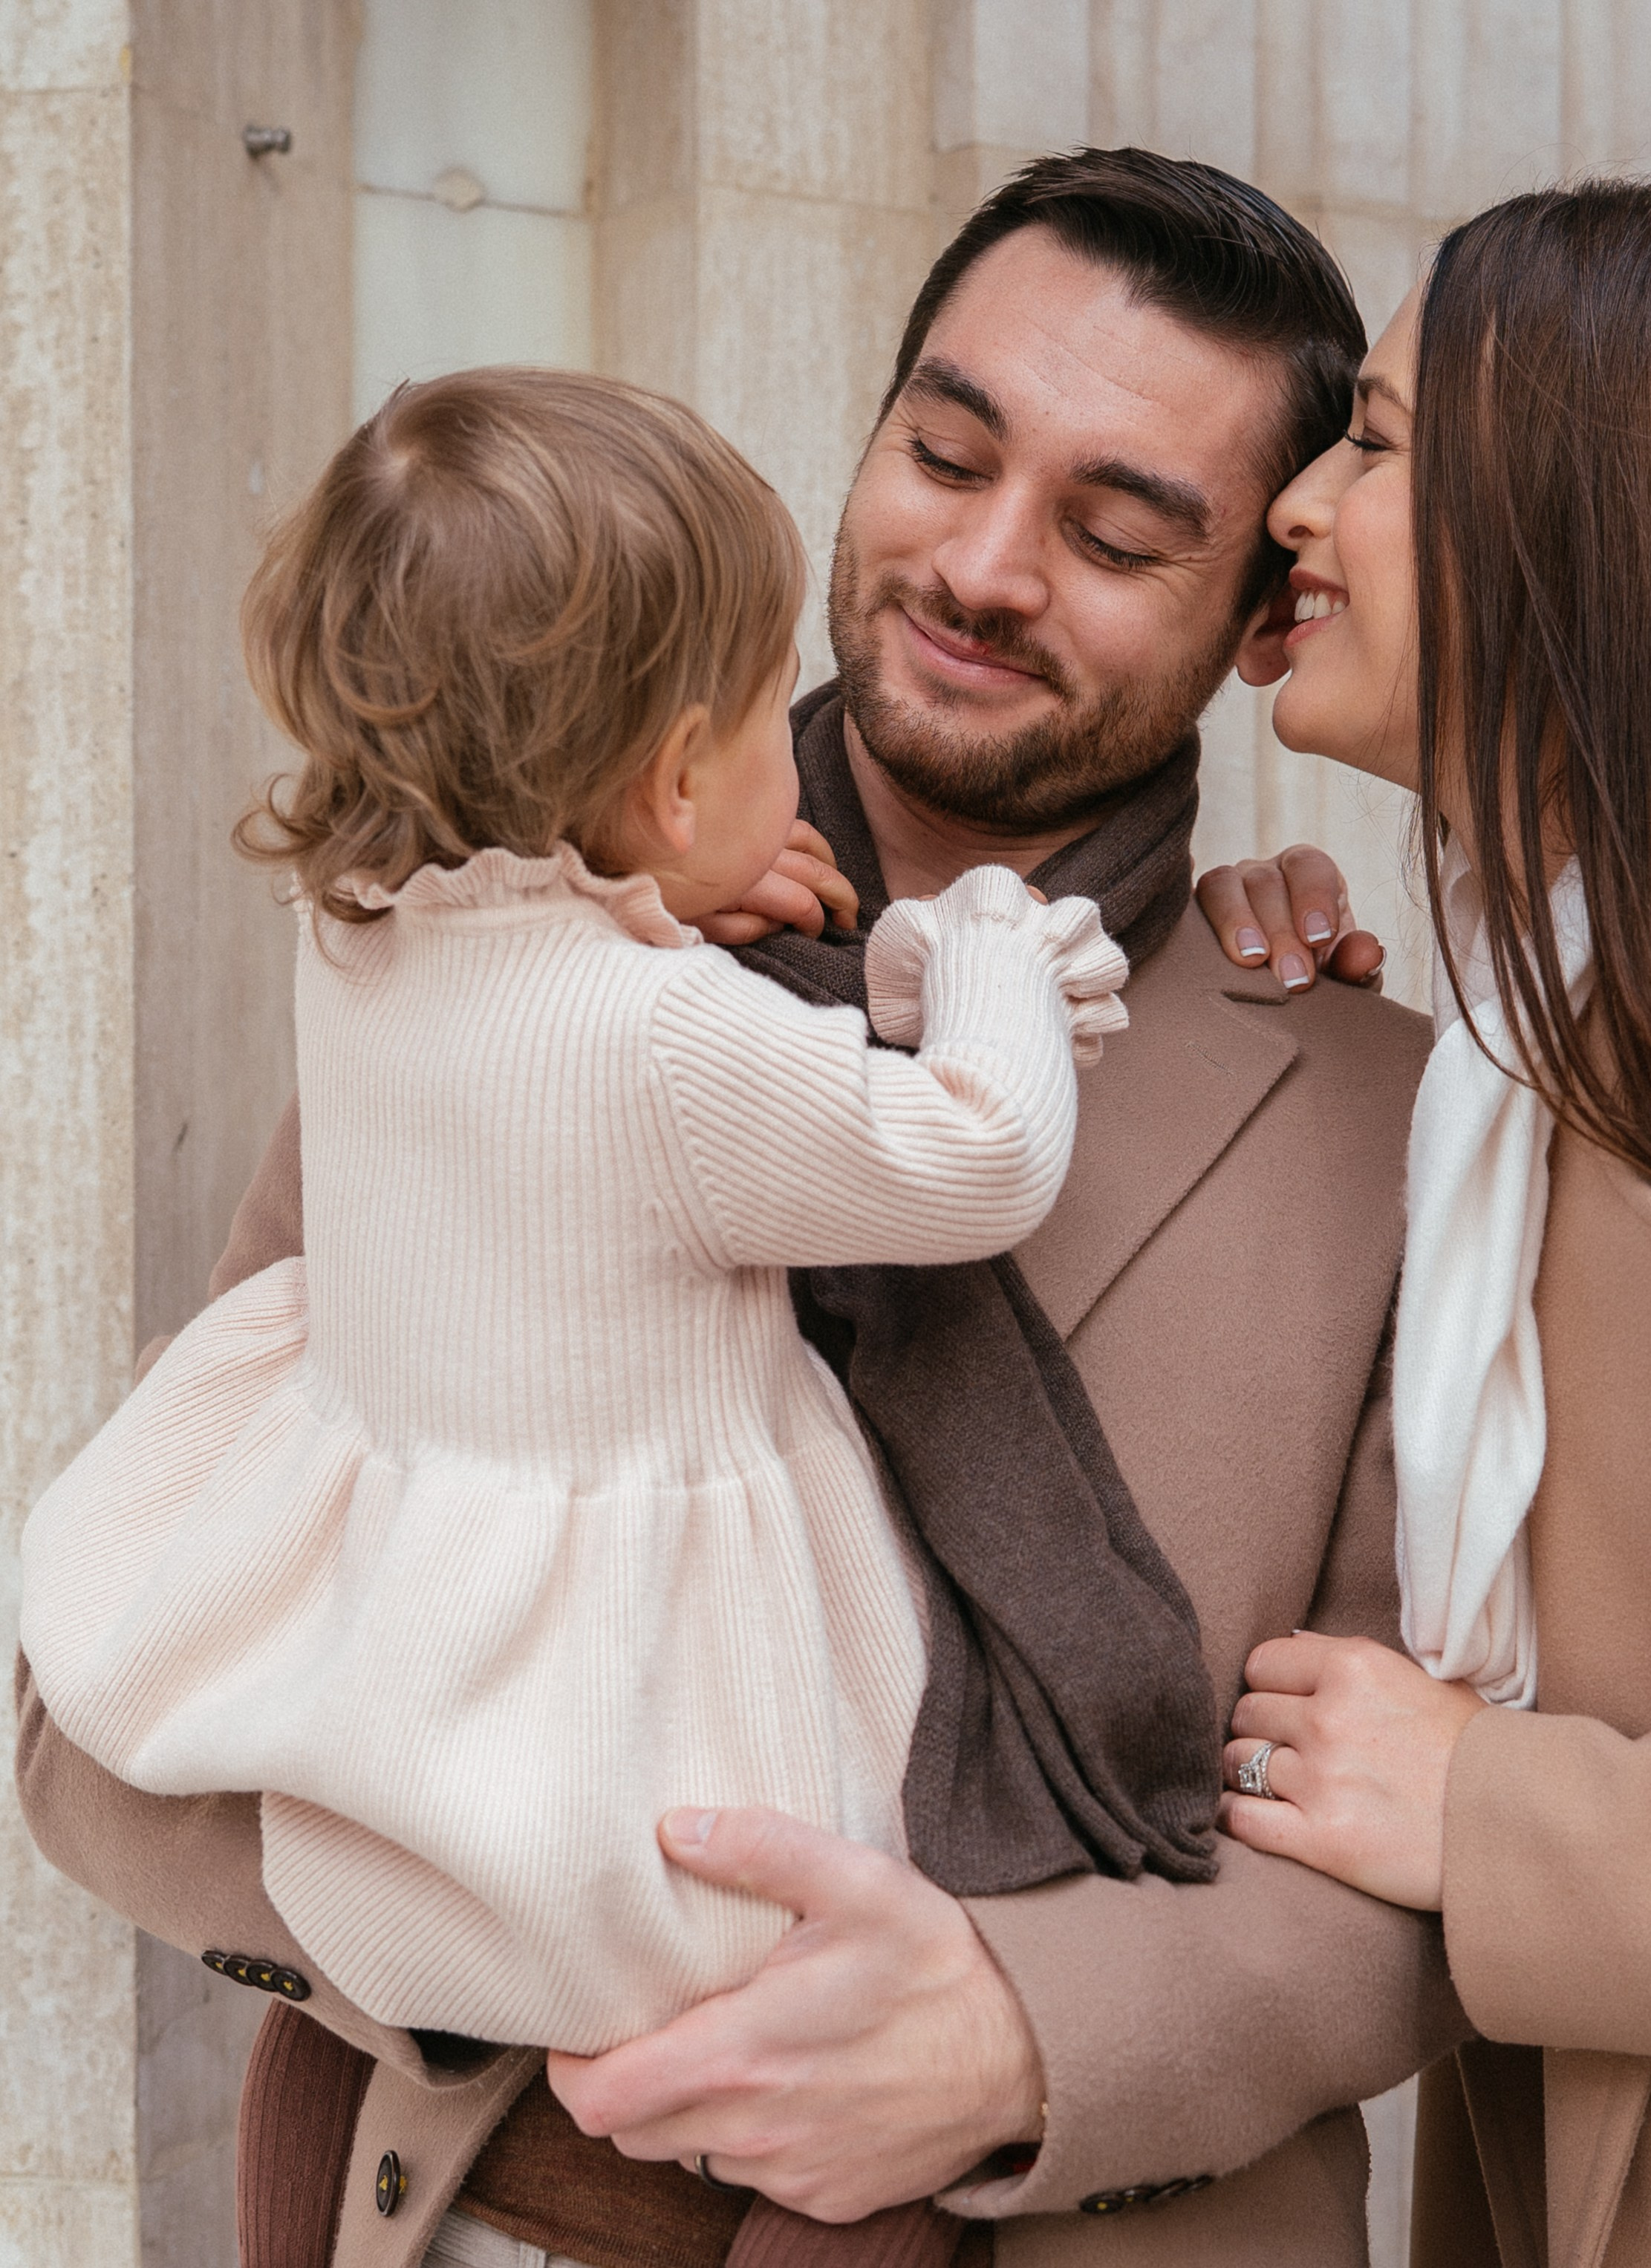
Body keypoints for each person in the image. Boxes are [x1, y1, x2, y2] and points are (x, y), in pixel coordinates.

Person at [16, 151, 1460, 2268]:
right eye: (943, 453)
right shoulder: (487, 932)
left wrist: (1017, 2041)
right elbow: (116, 1707)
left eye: (1113, 528)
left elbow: (1426, 1858)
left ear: (1263, 614)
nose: (979, 564)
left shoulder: (1386, 1110)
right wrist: (496, 1908)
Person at [23, 357, 1146, 2076]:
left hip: (417, 1621)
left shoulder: (367, 923)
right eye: (776, 706)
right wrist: (989, 936)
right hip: (643, 1754)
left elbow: (539, 973)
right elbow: (979, 1149)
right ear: (679, 786)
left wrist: (659, 881)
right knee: (721, 1884)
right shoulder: (668, 1035)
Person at [1219, 180, 1651, 2268]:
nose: (1293, 501)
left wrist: (1495, 1812)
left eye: (1371, 442)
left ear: (1586, 519)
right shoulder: (1509, 1048)